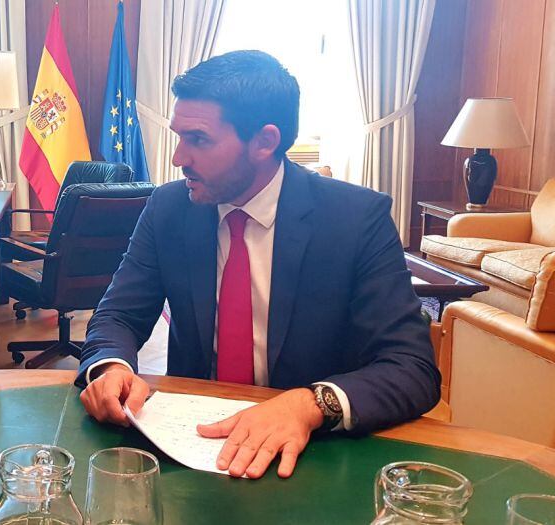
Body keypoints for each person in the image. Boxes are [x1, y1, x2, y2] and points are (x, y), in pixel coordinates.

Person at [77, 51, 440, 479]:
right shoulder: (168, 208)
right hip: (195, 447)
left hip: (312, 460)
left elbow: (411, 367)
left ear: (265, 142)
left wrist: (310, 404)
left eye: (199, 140)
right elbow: (118, 314)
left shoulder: (355, 219)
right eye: (179, 137)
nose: (179, 159)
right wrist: (110, 366)